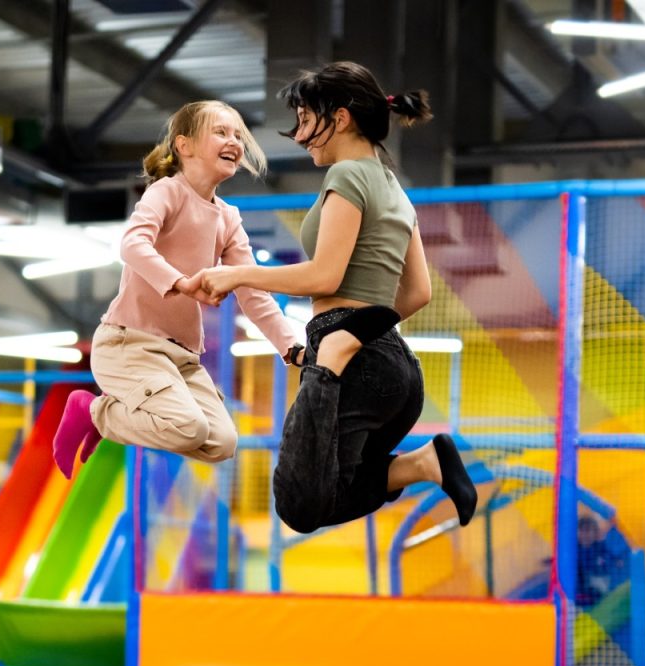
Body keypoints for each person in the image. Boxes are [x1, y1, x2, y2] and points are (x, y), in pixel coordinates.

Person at [199, 61, 477, 534]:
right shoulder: (395, 189)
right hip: (397, 370)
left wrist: (237, 275)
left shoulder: (347, 176)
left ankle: (413, 452)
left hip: (347, 357)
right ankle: (422, 464)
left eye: (307, 120)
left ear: (341, 118)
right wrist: (369, 329)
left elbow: (326, 275)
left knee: (299, 502)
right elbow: (418, 292)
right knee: (328, 492)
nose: (302, 135)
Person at [52, 100, 301, 479]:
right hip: (129, 344)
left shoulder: (229, 218)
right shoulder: (167, 192)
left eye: (238, 135)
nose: (233, 140)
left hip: (181, 358)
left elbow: (252, 290)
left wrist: (290, 347)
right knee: (190, 427)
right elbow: (133, 245)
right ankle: (93, 412)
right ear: (184, 146)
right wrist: (181, 283)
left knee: (221, 442)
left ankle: (102, 417)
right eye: (221, 132)